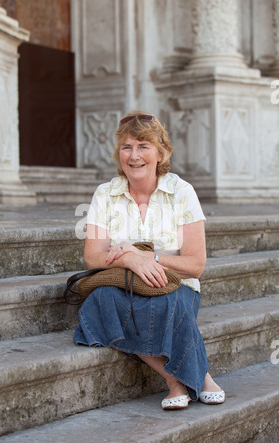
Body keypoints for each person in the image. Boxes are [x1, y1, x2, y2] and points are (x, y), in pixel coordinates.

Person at [73, 110, 225, 409]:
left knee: (168, 301)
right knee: (100, 299)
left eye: (143, 146)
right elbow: (92, 256)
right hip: (124, 284)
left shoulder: (181, 192)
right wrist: (131, 260)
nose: (134, 155)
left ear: (161, 153)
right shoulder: (105, 194)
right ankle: (181, 380)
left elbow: (196, 265)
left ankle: (189, 380)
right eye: (127, 147)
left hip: (175, 286)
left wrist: (150, 258)